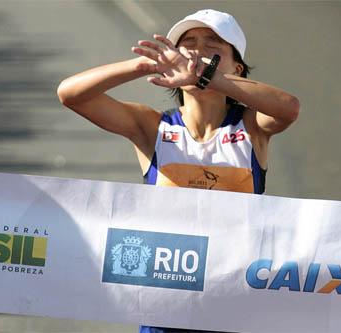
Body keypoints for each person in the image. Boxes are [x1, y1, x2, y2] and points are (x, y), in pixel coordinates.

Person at [57, 8, 299, 333]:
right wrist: (144, 65)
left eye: (213, 44)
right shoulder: (152, 126)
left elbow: (288, 108)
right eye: (189, 43)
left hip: (234, 306)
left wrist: (212, 79)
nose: (197, 51)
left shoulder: (252, 127)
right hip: (165, 309)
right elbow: (71, 95)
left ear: (237, 67)